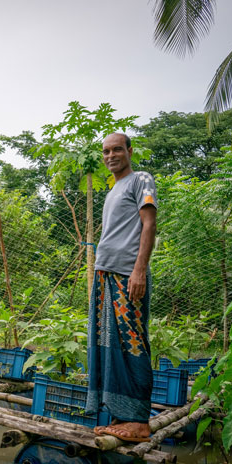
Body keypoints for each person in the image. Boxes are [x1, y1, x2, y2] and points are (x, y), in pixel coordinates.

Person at [85, 132, 157, 443]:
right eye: (105, 151)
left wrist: (139, 270)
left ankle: (139, 422)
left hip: (127, 275)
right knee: (108, 346)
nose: (111, 155)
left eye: (117, 149)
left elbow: (149, 224)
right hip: (105, 275)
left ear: (129, 151)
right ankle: (121, 416)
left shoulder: (141, 179)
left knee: (132, 344)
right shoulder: (113, 189)